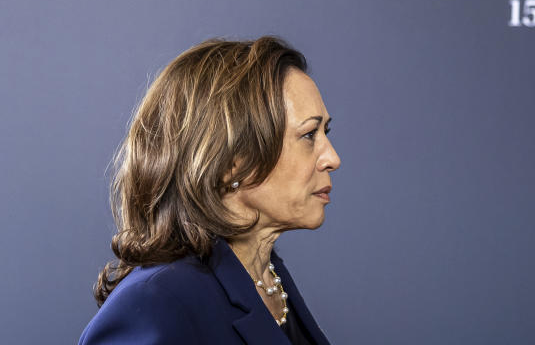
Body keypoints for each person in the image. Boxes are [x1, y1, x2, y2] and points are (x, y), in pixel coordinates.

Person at [79, 36, 341, 344]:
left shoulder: (269, 278)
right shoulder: (157, 304)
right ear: (230, 160)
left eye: (325, 132)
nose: (332, 158)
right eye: (309, 134)